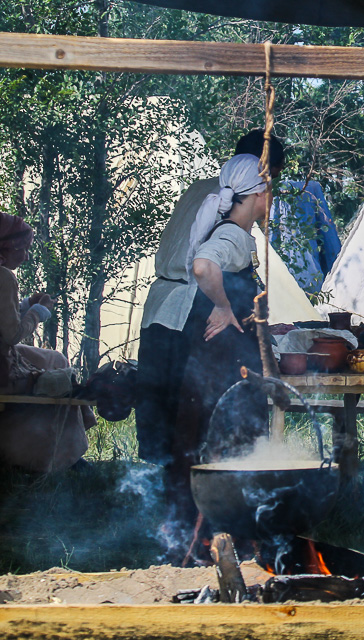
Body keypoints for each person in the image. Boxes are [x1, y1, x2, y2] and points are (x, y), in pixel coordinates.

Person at [135, 131, 284, 466]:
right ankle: (206, 479)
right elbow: (205, 265)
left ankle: (176, 484)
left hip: (162, 308)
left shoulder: (203, 190)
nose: (271, 188)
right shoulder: (229, 205)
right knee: (195, 415)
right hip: (190, 311)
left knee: (174, 415)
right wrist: (224, 305)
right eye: (271, 178)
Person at [164, 153, 273, 528]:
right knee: (225, 439)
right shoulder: (232, 235)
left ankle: (198, 522)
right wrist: (224, 306)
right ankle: (220, 523)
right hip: (222, 366)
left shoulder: (233, 232)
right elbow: (202, 266)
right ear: (258, 193)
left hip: (215, 361)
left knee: (200, 438)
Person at [0, 210, 96, 473]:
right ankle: (59, 458)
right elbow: (12, 335)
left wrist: (26, 304)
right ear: (5, 247)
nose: (26, 256)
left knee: (55, 358)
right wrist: (39, 312)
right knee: (60, 381)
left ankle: (65, 451)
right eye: (22, 249)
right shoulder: (2, 277)